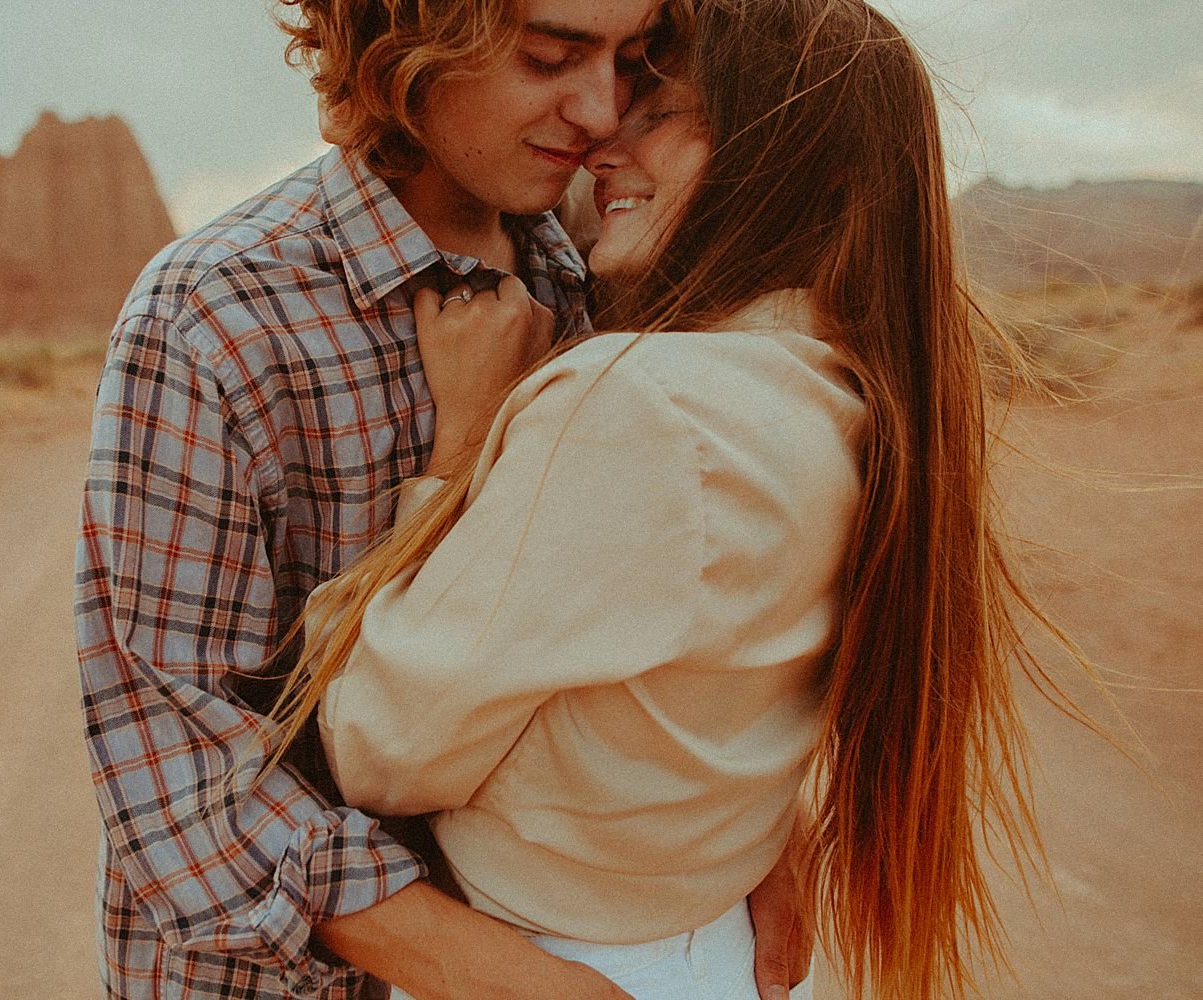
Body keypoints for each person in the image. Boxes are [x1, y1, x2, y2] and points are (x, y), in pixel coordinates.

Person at [259, 1, 1075, 997]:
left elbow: (380, 749)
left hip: (561, 966)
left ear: (771, 153)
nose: (605, 138)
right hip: (711, 946)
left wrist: (461, 449)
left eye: (657, 112)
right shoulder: (851, 391)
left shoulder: (645, 406)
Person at [75, 1, 810, 997]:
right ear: (405, 42)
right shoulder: (221, 313)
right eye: (552, 55)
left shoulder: (603, 276)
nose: (600, 110)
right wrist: (498, 975)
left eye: (632, 63)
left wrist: (760, 831)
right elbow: (174, 754)